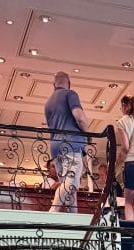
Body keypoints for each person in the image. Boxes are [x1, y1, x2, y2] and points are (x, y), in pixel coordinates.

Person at [44, 71, 88, 213]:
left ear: (53, 85)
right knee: (72, 182)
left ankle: (74, 219)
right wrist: (87, 134)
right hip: (71, 144)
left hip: (55, 148)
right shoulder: (70, 94)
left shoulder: (48, 103)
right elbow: (79, 117)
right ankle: (52, 212)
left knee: (68, 187)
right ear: (69, 83)